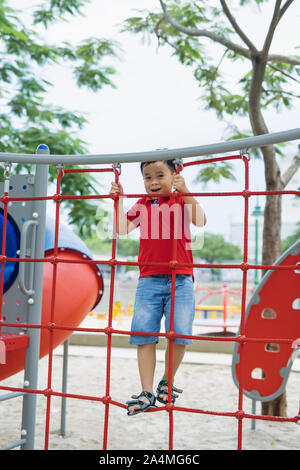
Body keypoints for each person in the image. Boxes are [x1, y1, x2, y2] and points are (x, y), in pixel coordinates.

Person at [109, 158, 206, 416]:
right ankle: (147, 390)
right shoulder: (143, 203)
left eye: (160, 175)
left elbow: (201, 221)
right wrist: (118, 201)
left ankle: (166, 380)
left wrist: (185, 192)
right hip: (149, 278)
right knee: (144, 334)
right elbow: (121, 229)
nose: (153, 182)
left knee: (180, 333)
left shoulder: (180, 200)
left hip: (180, 278)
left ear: (175, 175)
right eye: (147, 177)